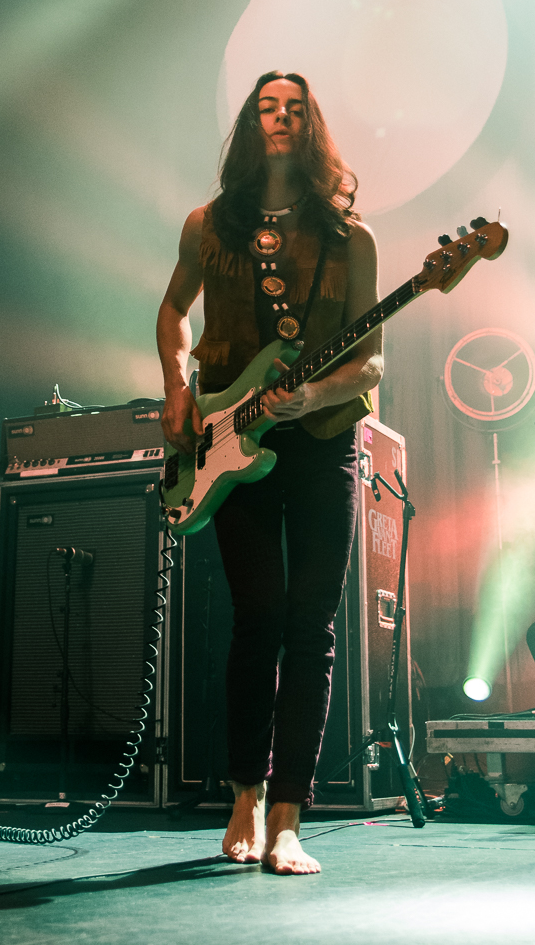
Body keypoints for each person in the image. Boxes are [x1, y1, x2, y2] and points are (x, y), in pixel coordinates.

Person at [157, 71, 383, 875]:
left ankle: (289, 812)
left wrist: (312, 395)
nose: (280, 118)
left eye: (294, 109)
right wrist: (179, 388)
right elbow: (173, 312)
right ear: (250, 126)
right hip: (229, 439)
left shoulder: (349, 237)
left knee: (310, 624)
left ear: (311, 125)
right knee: (256, 619)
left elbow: (370, 359)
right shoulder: (207, 224)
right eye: (266, 108)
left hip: (323, 443)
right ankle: (245, 794)